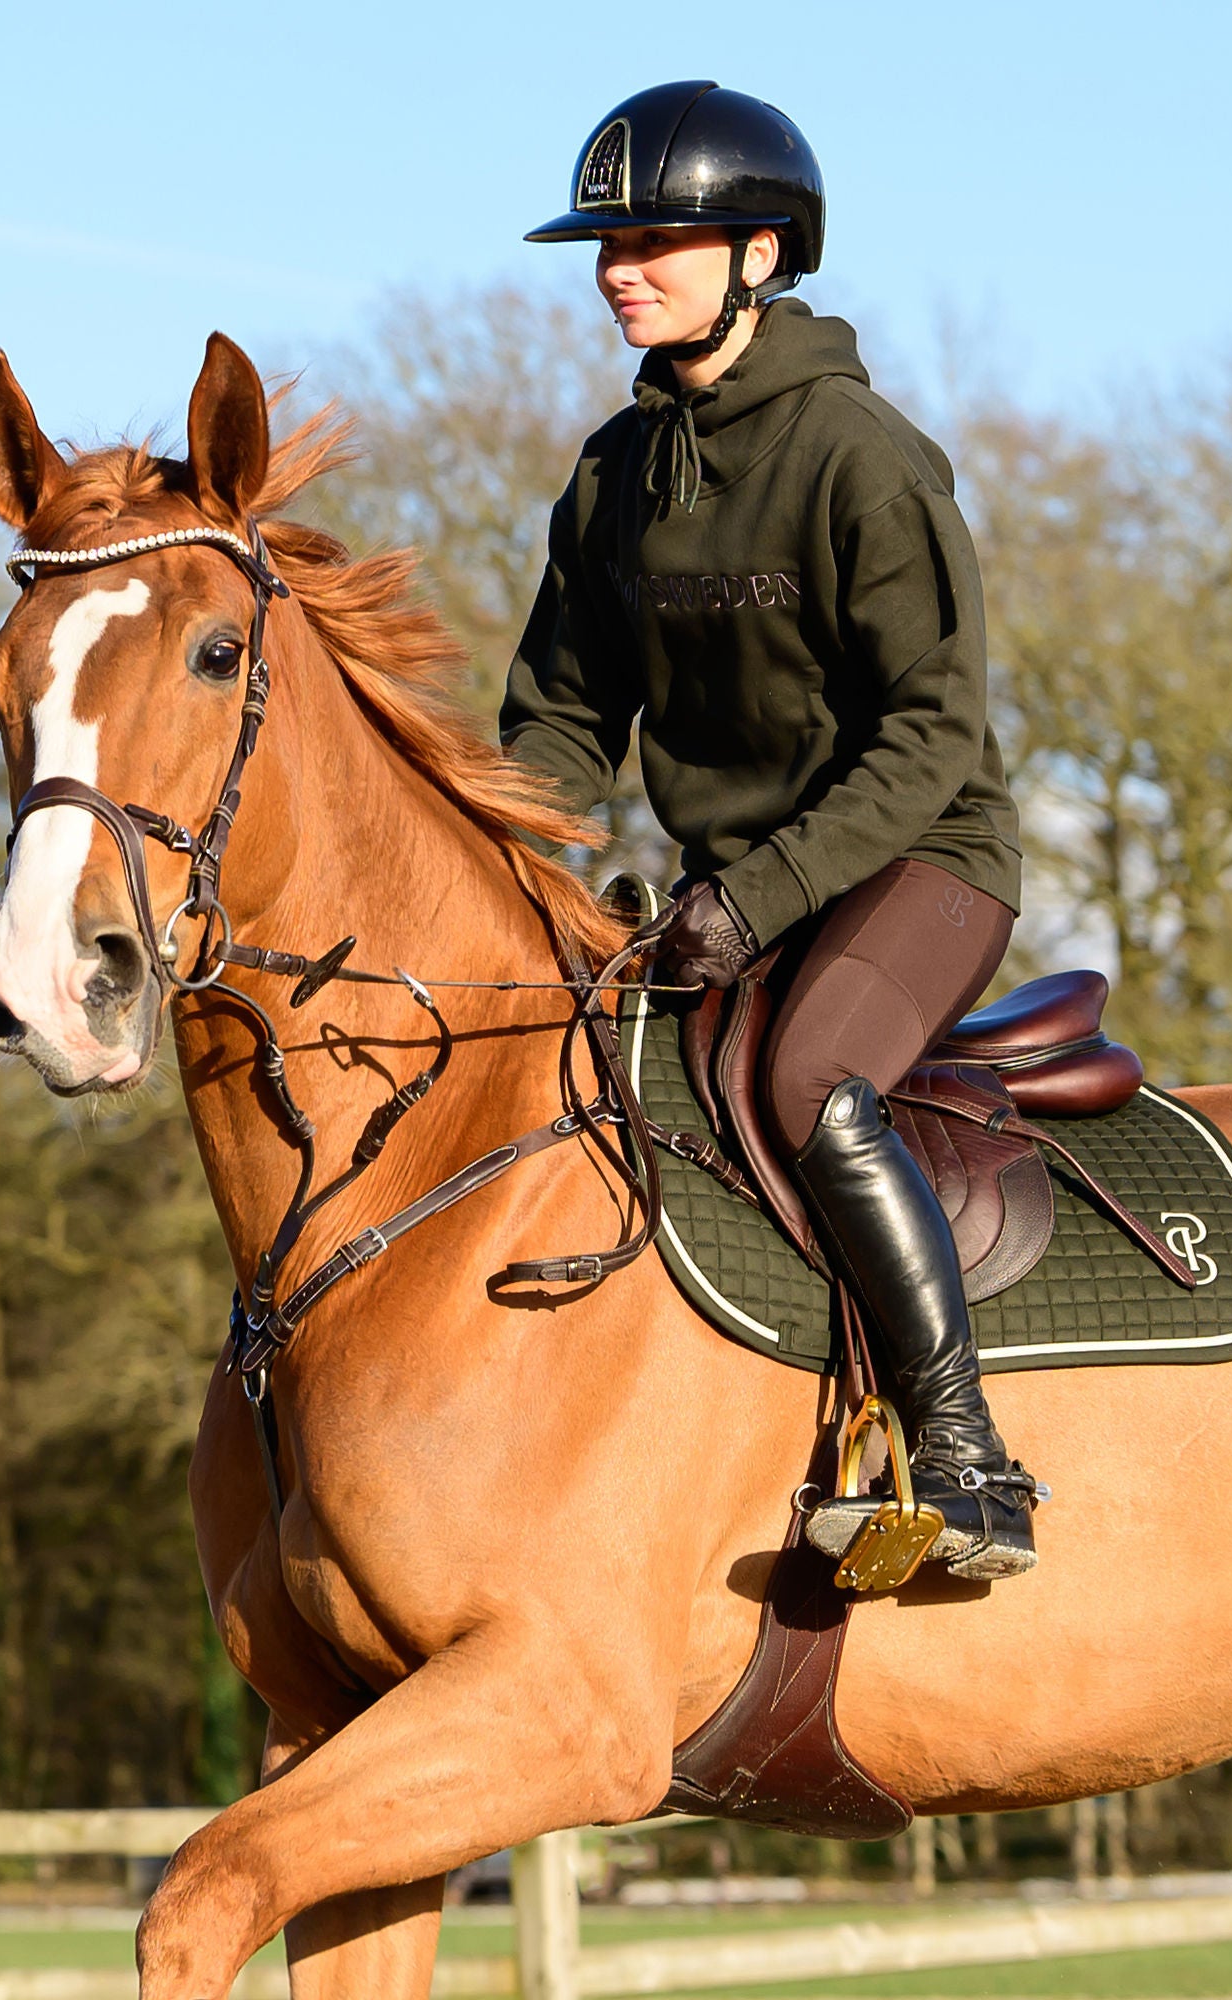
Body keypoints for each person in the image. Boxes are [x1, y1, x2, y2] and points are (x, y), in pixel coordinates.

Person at [501, 81, 1039, 1578]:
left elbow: (930, 736)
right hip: (731, 893)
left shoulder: (863, 455)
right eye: (606, 239)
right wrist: (511, 870)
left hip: (920, 860)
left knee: (810, 1074)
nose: (619, 265)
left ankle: (967, 1465)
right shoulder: (611, 478)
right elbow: (556, 718)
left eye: (658, 236)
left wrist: (761, 895)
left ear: (760, 251)